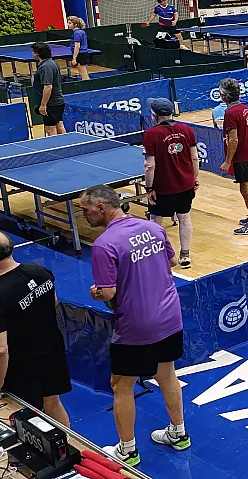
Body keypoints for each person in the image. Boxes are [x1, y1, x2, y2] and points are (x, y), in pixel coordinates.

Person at [83, 185, 188, 466]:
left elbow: (108, 292)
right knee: (166, 373)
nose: (84, 214)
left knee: (121, 384)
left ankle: (127, 451)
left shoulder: (104, 244)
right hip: (170, 316)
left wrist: (96, 292)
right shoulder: (152, 228)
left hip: (136, 325)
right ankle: (178, 433)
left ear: (102, 208)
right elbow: (172, 260)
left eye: (86, 209)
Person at [0, 231, 70, 426]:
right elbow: (53, 302)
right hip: (52, 350)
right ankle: (65, 444)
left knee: (22, 413)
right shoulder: (38, 270)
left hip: (22, 364)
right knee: (53, 402)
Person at [143, 98, 199, 269]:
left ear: (154, 114)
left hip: (163, 188)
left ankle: (155, 257)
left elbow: (149, 166)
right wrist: (195, 179)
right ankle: (185, 255)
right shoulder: (186, 129)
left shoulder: (150, 134)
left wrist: (149, 188)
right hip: (185, 185)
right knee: (184, 217)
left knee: (155, 220)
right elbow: (195, 158)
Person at [219, 78, 248, 235]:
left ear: (224, 96)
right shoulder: (243, 108)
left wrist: (227, 161)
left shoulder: (231, 113)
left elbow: (234, 139)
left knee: (245, 189)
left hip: (242, 156)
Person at [31, 42, 66, 137]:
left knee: (50, 129)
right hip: (56, 102)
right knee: (59, 125)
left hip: (51, 104)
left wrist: (43, 105)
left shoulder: (45, 67)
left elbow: (48, 87)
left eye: (33, 51)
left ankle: (56, 146)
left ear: (37, 53)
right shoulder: (51, 63)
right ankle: (66, 144)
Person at [67, 16, 90, 81]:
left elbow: (77, 46)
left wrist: (74, 58)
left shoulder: (76, 33)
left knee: (84, 75)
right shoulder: (82, 32)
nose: (68, 24)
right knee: (83, 74)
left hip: (80, 54)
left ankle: (87, 85)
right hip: (84, 54)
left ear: (75, 24)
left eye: (70, 23)